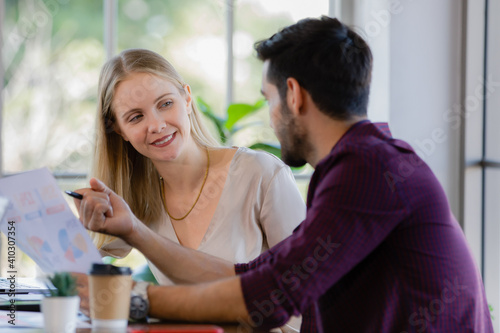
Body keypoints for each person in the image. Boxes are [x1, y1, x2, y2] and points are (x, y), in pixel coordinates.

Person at [76, 17, 493, 332]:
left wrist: (137, 300)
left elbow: (271, 296)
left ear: (292, 95)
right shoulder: (362, 163)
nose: (270, 118)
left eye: (268, 99)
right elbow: (254, 276)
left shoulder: (366, 171)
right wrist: (133, 234)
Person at [75, 48, 306, 329]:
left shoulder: (261, 174)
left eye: (165, 104)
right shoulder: (135, 201)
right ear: (119, 130)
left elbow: (307, 294)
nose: (156, 125)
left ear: (186, 97)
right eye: (136, 117)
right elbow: (68, 269)